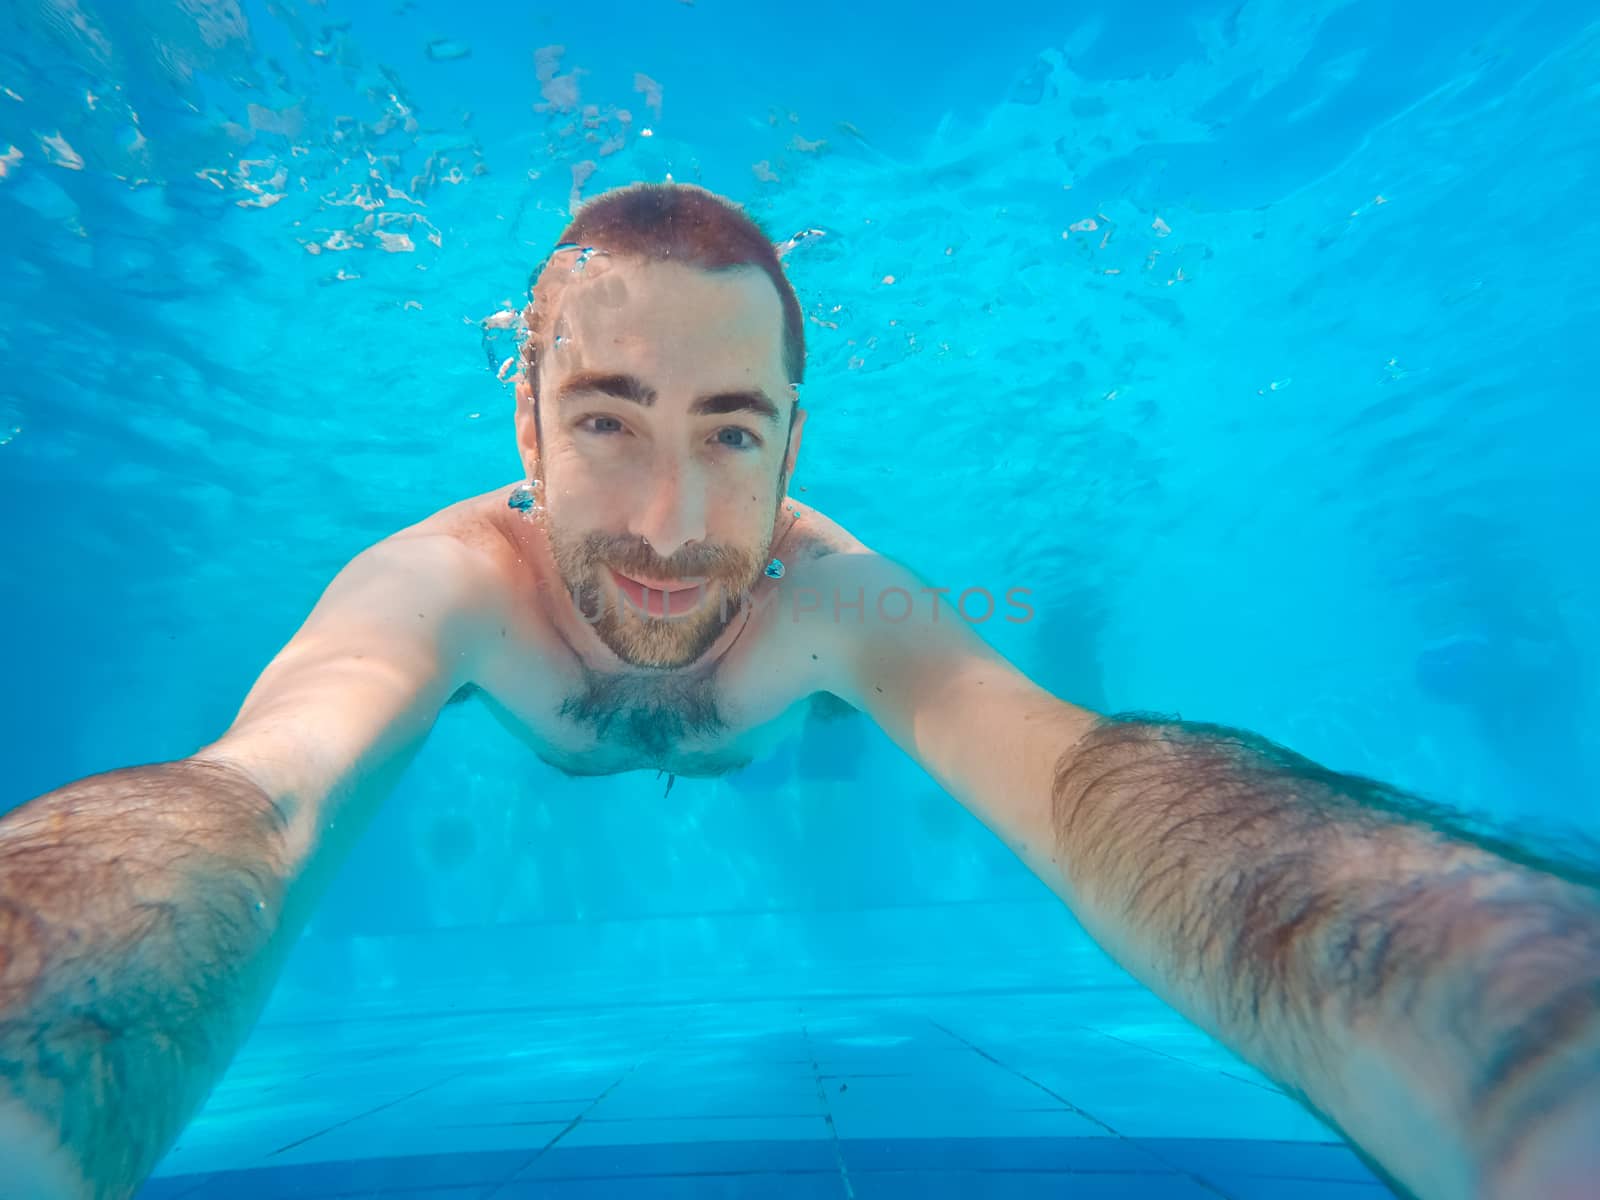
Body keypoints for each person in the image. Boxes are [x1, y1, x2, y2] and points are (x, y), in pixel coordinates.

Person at [0, 183, 1596, 1200]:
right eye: (610, 419)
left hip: (798, 726)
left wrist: (1521, 1038)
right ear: (529, 422)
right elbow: (256, 797)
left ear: (793, 449)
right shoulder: (445, 590)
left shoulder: (825, 597)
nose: (678, 532)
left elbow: (1072, 778)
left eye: (733, 433)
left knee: (986, 694)